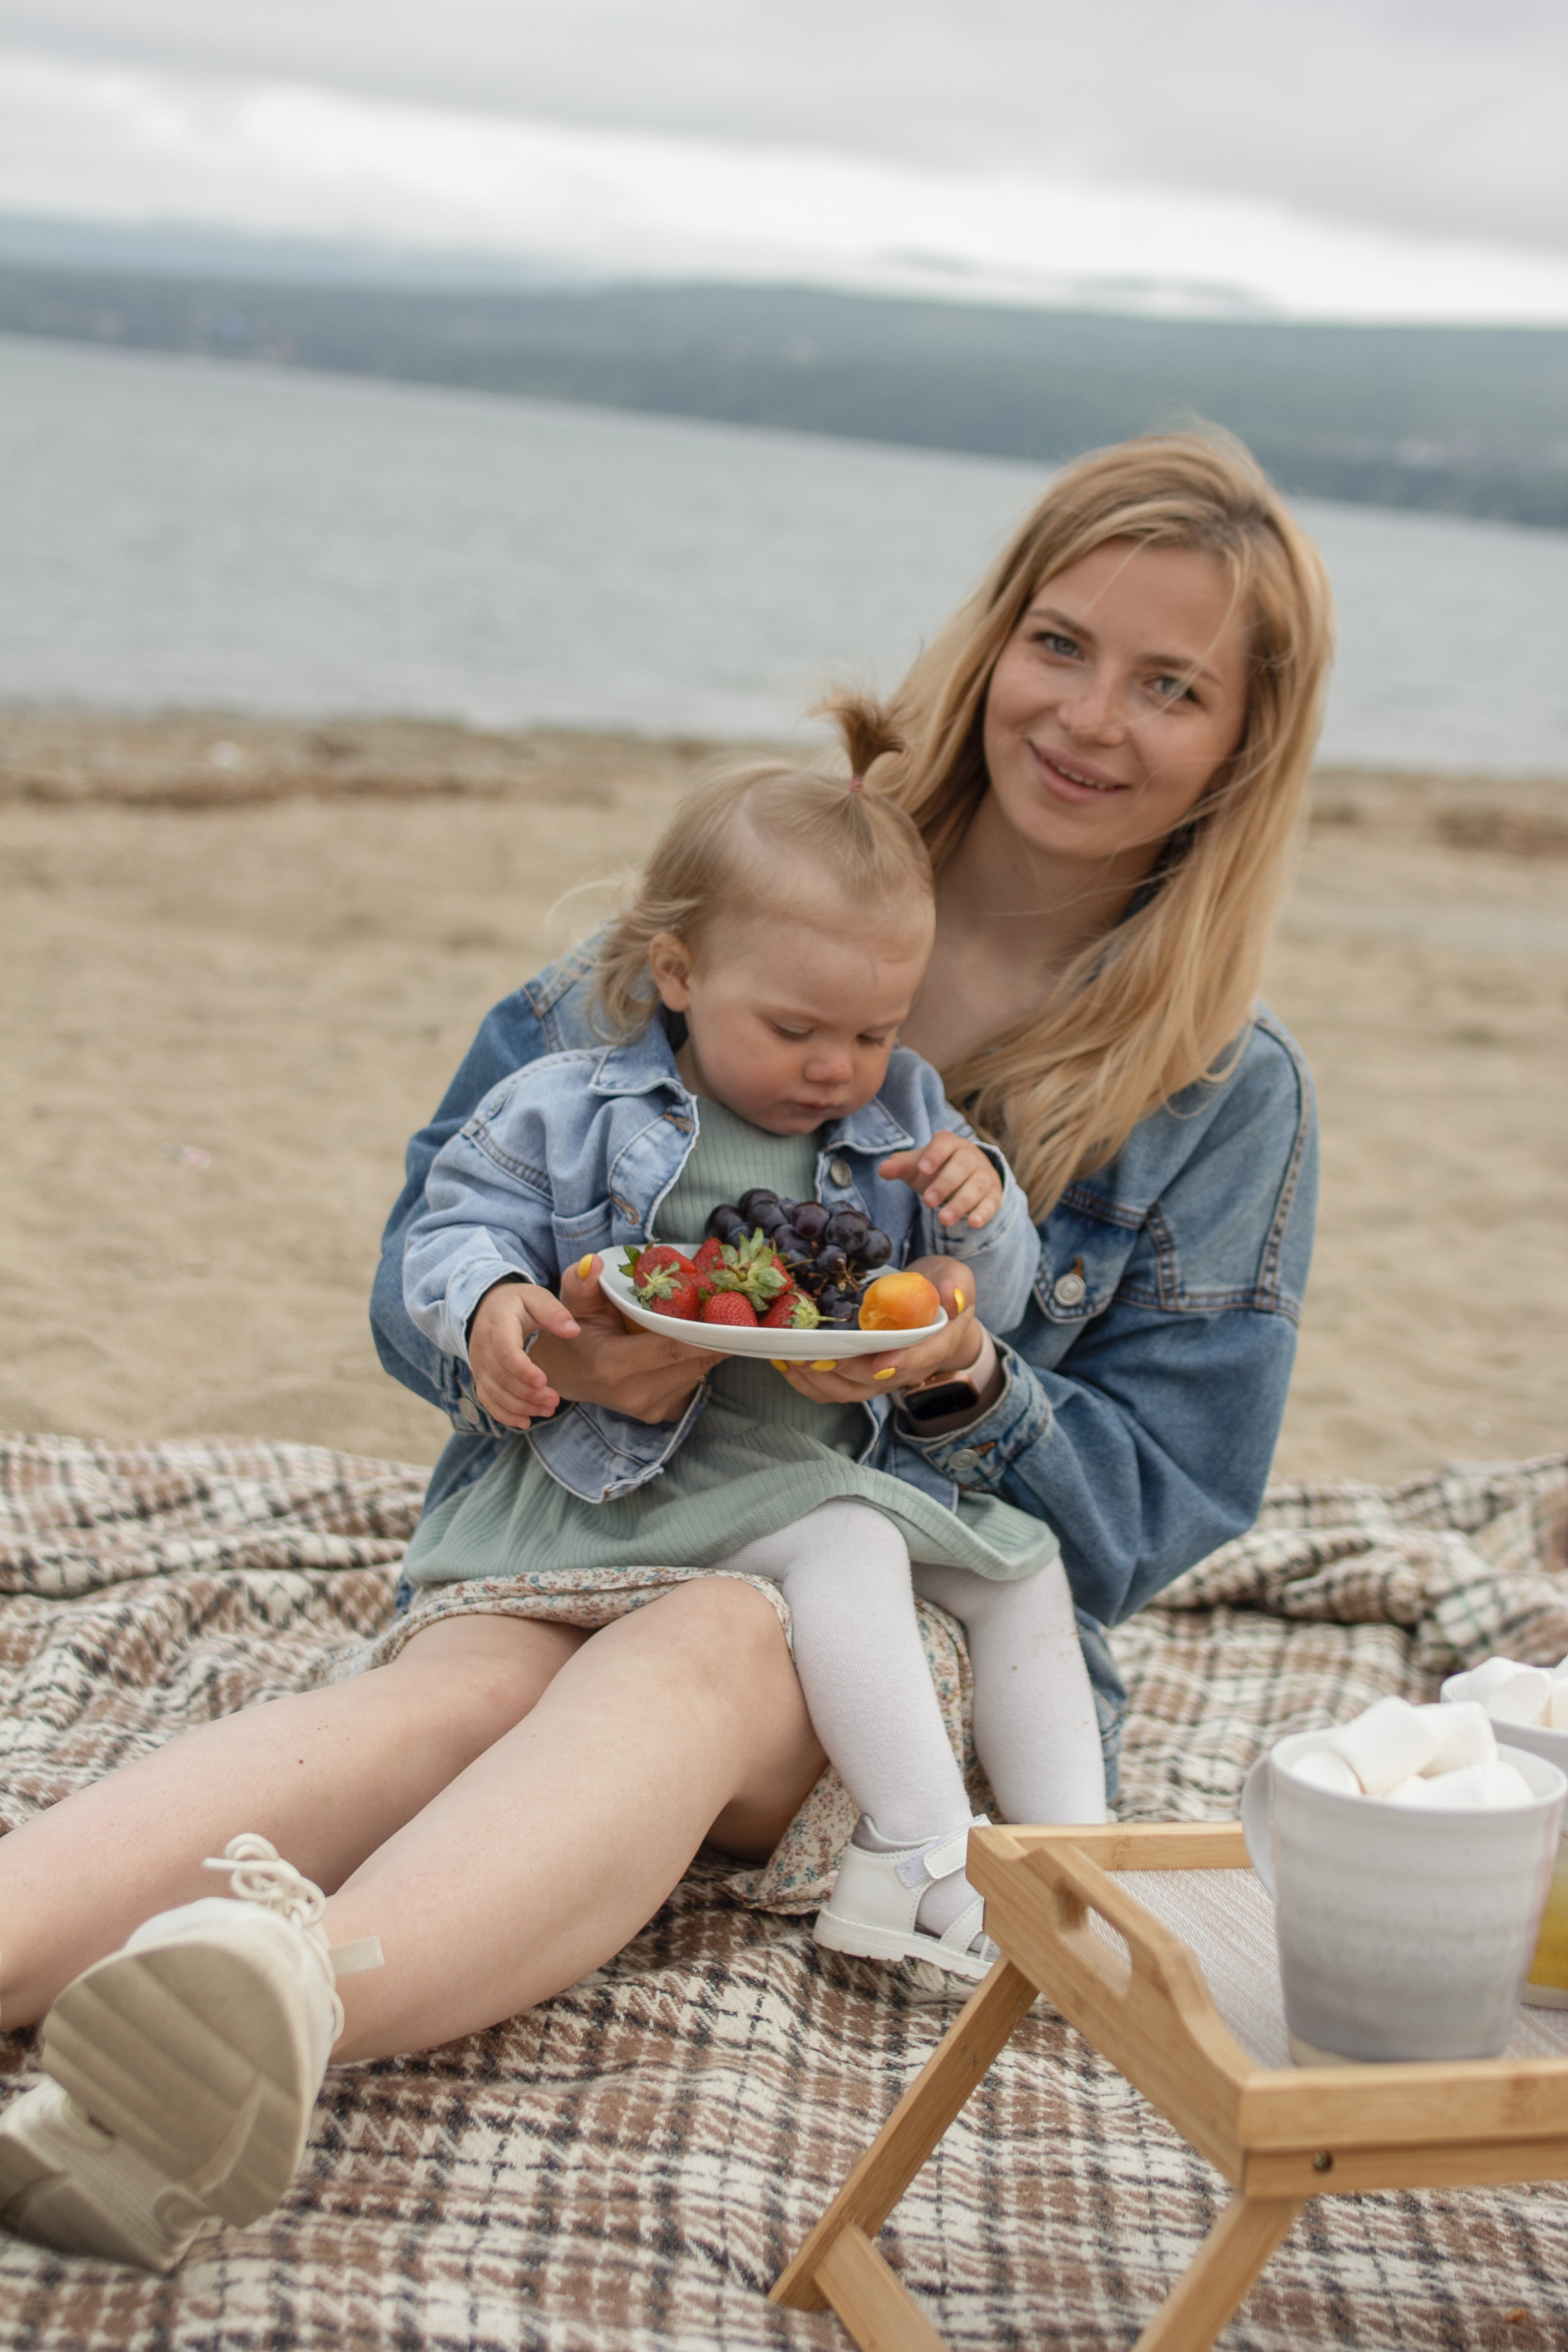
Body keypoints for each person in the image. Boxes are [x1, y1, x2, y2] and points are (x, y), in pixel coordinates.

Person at [0, 428, 1332, 2275]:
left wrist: (963, 1382)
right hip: (587, 1510)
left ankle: (272, 2019)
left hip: (887, 1617)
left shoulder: (1221, 1089)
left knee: (715, 1635)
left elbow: (1157, 1509)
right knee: (452, 1698)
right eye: (1061, 644)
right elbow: (425, 1254)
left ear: (1244, 747)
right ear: (994, 640)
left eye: (1171, 686)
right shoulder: (753, 881)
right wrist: (539, 1350)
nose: (1091, 718)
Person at [398, 758, 1107, 1987]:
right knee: (851, 1543)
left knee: (1023, 1566)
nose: (838, 1069)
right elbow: (452, 1229)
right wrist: (494, 1305)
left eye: (875, 1033)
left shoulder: (903, 1115)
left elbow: (979, 1307)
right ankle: (910, 1856)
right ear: (679, 974)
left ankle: (1080, 1881)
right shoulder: (570, 1107)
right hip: (640, 1483)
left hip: (823, 1464)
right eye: (795, 1031)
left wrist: (980, 1220)